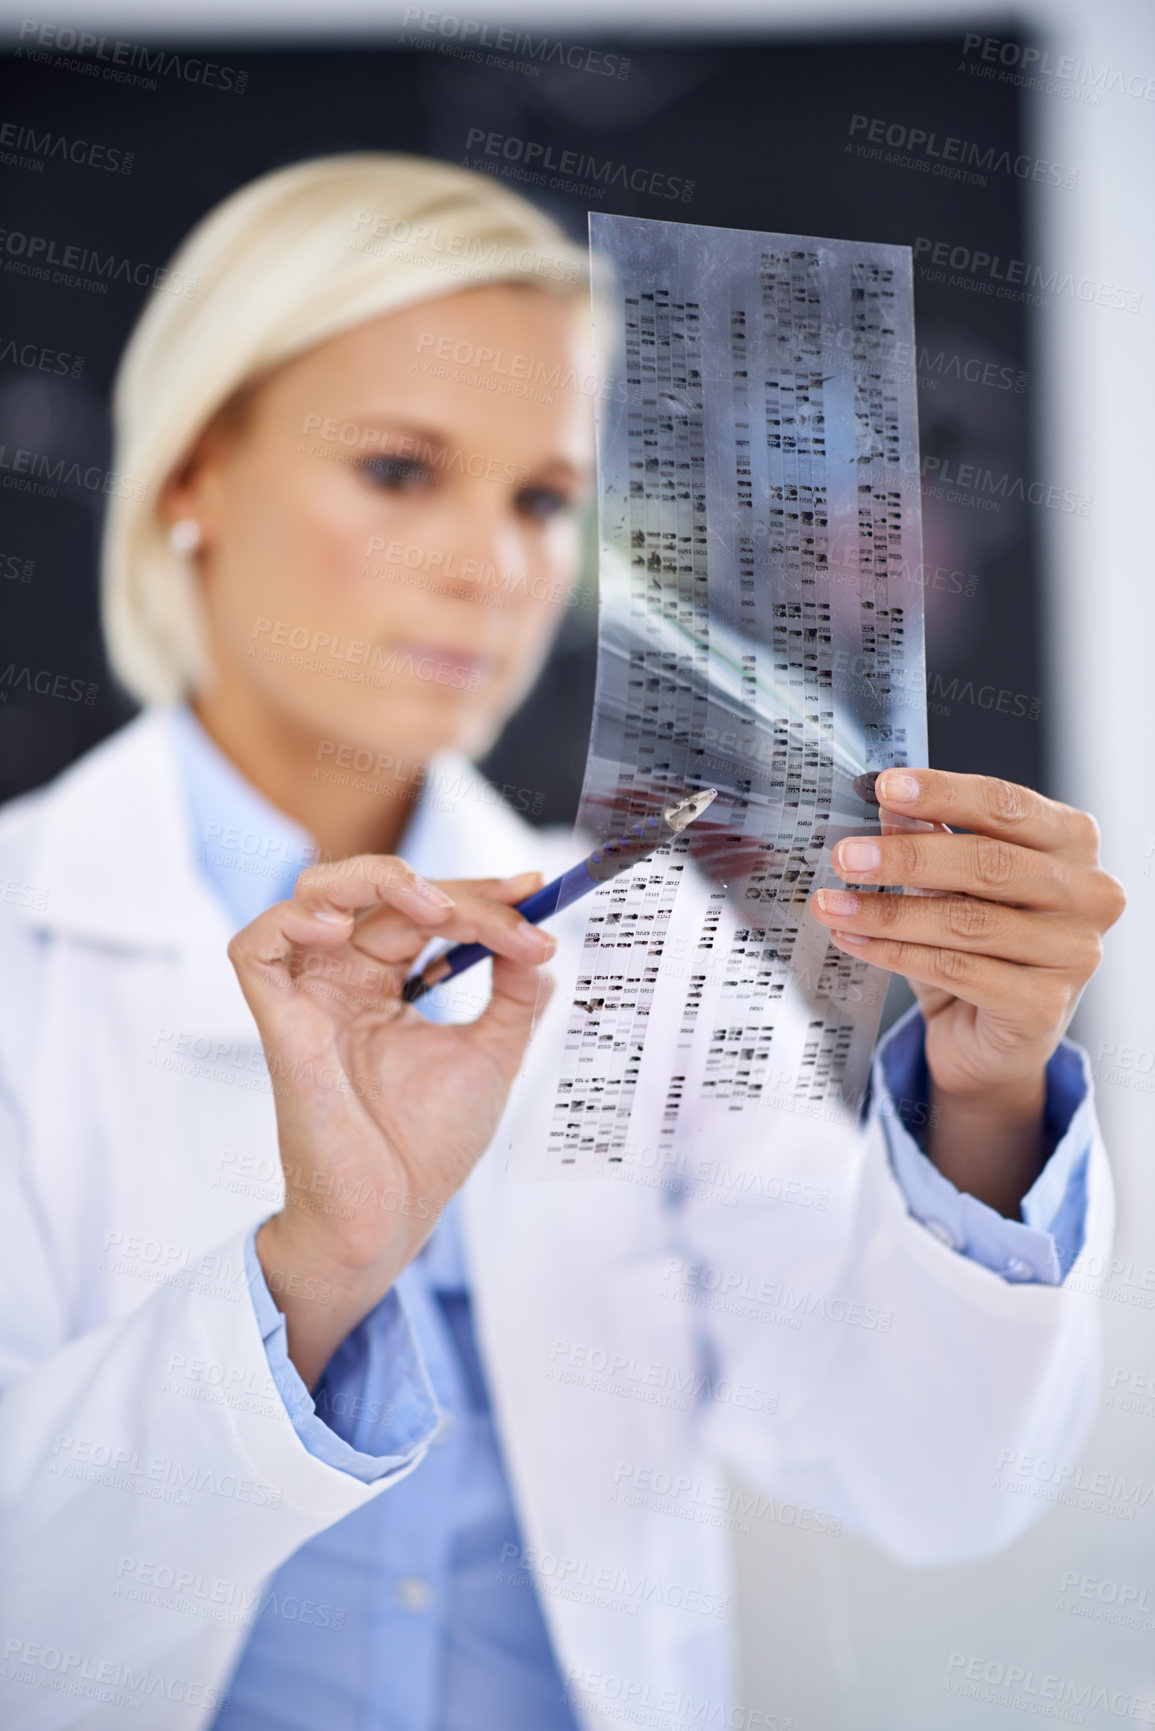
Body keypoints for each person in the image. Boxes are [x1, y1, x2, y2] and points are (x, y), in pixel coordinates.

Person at [0, 154, 1124, 1731]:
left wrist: (992, 1100)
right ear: (192, 473)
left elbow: (922, 1476)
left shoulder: (643, 947)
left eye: (542, 498)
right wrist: (314, 1276)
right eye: (400, 469)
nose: (497, 565)